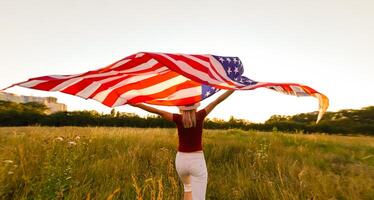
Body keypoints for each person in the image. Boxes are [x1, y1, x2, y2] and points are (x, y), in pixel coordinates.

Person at [130, 90, 234, 200]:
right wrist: (233, 88)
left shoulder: (179, 119)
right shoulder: (200, 116)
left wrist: (134, 104)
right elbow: (217, 100)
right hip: (196, 161)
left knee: (188, 189)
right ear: (195, 107)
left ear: (181, 108)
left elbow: (157, 111)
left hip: (181, 161)